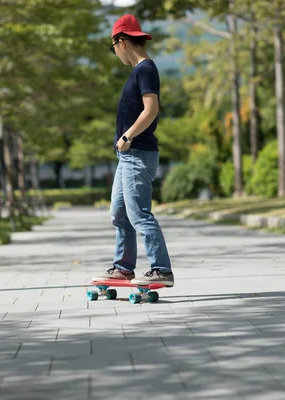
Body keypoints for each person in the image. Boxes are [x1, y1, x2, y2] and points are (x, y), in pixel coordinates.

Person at [94, 14, 174, 287]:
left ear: (121, 41)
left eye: (113, 47)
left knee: (139, 213)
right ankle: (123, 268)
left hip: (137, 152)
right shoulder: (139, 71)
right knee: (119, 213)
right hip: (127, 155)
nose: (115, 52)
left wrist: (127, 136)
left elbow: (151, 110)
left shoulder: (145, 69)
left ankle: (161, 268)